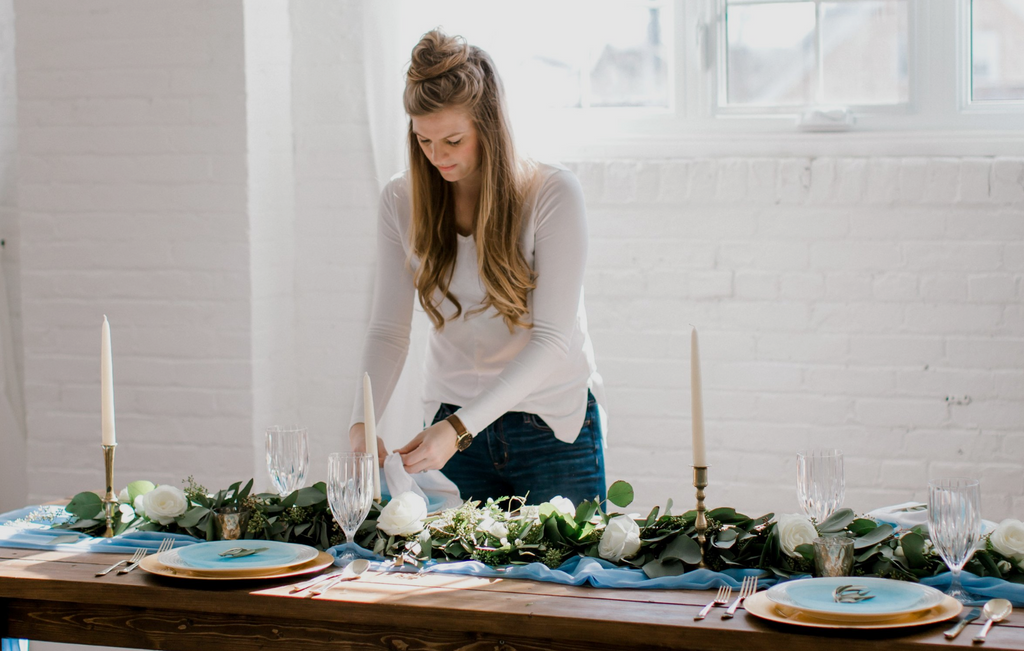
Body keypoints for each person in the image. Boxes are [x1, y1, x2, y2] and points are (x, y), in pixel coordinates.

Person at [348, 29, 605, 505]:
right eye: (423, 140)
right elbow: (388, 330)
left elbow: (551, 339)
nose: (437, 157)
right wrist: (363, 422)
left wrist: (458, 429)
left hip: (550, 426)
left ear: (488, 127)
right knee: (452, 579)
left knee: (566, 578)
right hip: (449, 424)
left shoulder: (552, 194)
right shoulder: (400, 200)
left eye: (453, 140)